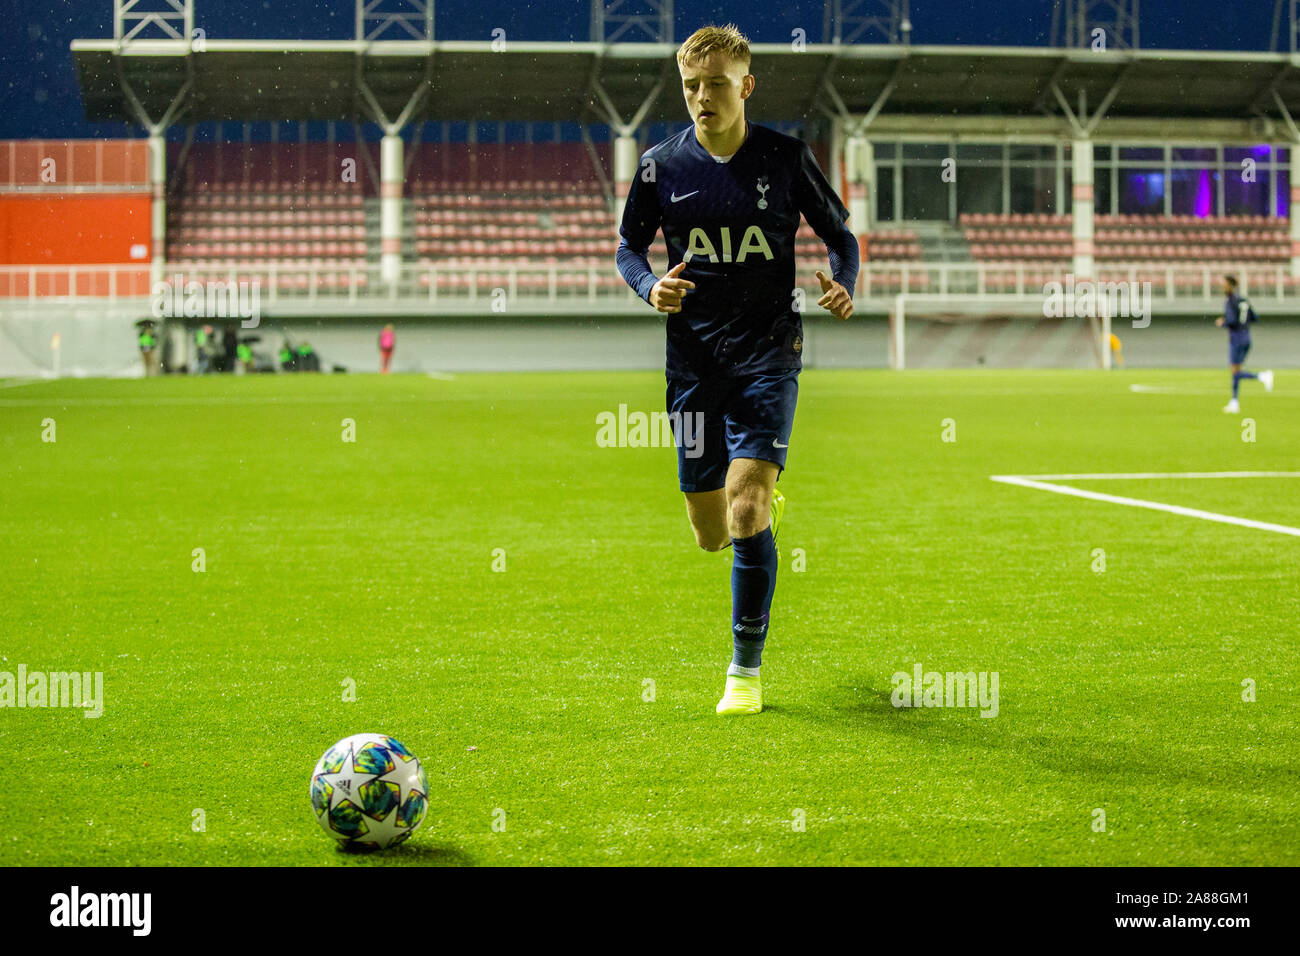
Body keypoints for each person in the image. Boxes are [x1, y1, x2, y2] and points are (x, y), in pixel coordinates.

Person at [615, 24, 858, 716]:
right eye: (690, 86)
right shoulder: (661, 166)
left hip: (768, 352)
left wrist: (842, 281)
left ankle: (744, 673)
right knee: (710, 533)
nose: (701, 98)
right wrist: (648, 287)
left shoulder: (784, 158)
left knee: (745, 508)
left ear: (745, 86)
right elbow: (629, 248)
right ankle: (749, 503)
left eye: (715, 85)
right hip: (692, 358)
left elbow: (841, 235)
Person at [1215, 275, 1273, 413]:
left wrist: (1222, 322)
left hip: (1236, 338)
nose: (1222, 286)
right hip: (1246, 337)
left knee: (1235, 372)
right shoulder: (1243, 300)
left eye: (1224, 283)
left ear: (1230, 285)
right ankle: (1234, 402)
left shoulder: (1230, 301)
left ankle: (1261, 376)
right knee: (1236, 370)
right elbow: (1255, 318)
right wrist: (1244, 324)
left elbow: (1232, 321)